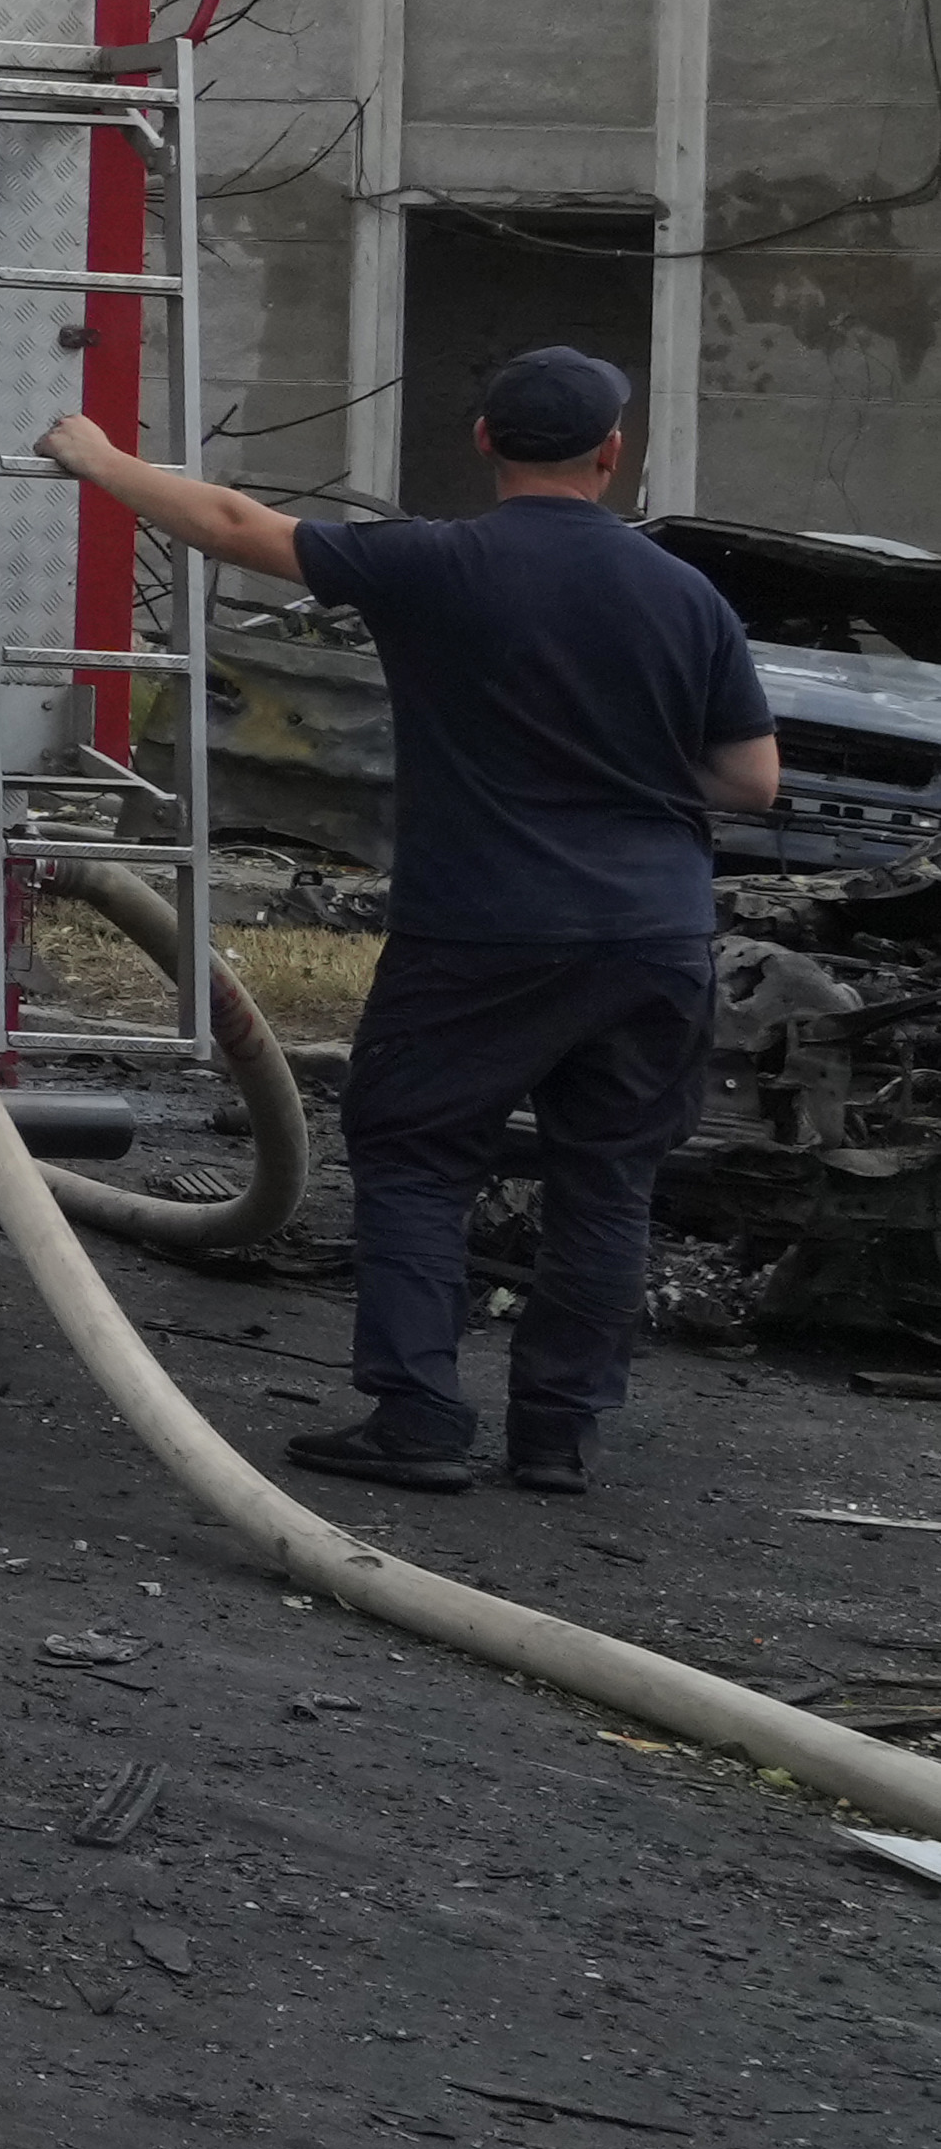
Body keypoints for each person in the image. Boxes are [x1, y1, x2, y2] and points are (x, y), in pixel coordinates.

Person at [49, 350, 774, 1495]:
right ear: (611, 453)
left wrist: (98, 459)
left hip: (484, 928)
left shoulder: (436, 562)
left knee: (419, 1158)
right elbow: (750, 780)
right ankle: (557, 1436)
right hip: (655, 936)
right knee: (607, 1181)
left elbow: (236, 526)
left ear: (482, 441)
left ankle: (420, 1420)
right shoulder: (686, 595)